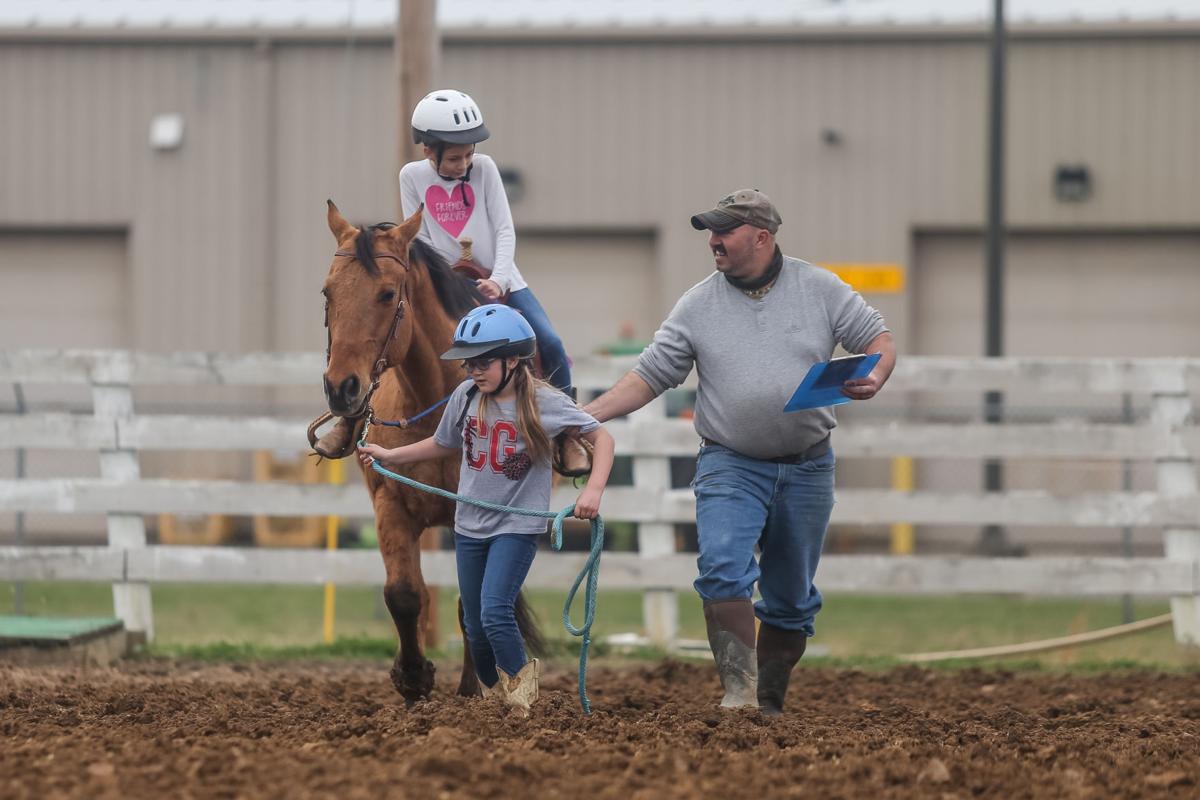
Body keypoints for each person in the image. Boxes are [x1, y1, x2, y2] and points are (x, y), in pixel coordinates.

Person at [583, 189, 895, 716]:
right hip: (731, 461)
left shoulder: (819, 288)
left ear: (761, 237)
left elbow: (879, 339)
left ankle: (769, 701)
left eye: (723, 231)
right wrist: (586, 417)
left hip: (808, 464)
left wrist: (876, 374)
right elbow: (651, 375)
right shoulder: (698, 303)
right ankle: (739, 695)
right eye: (710, 231)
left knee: (791, 599)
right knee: (723, 568)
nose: (713, 241)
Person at [357, 304, 614, 716]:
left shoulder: (545, 403)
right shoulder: (465, 397)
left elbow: (602, 439)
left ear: (513, 361)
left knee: (495, 612)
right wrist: (392, 454)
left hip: (516, 525)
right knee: (475, 628)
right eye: (469, 363)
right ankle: (497, 699)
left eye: (483, 362)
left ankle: (520, 700)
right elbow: (443, 443)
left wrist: (593, 491)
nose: (473, 371)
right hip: (471, 526)